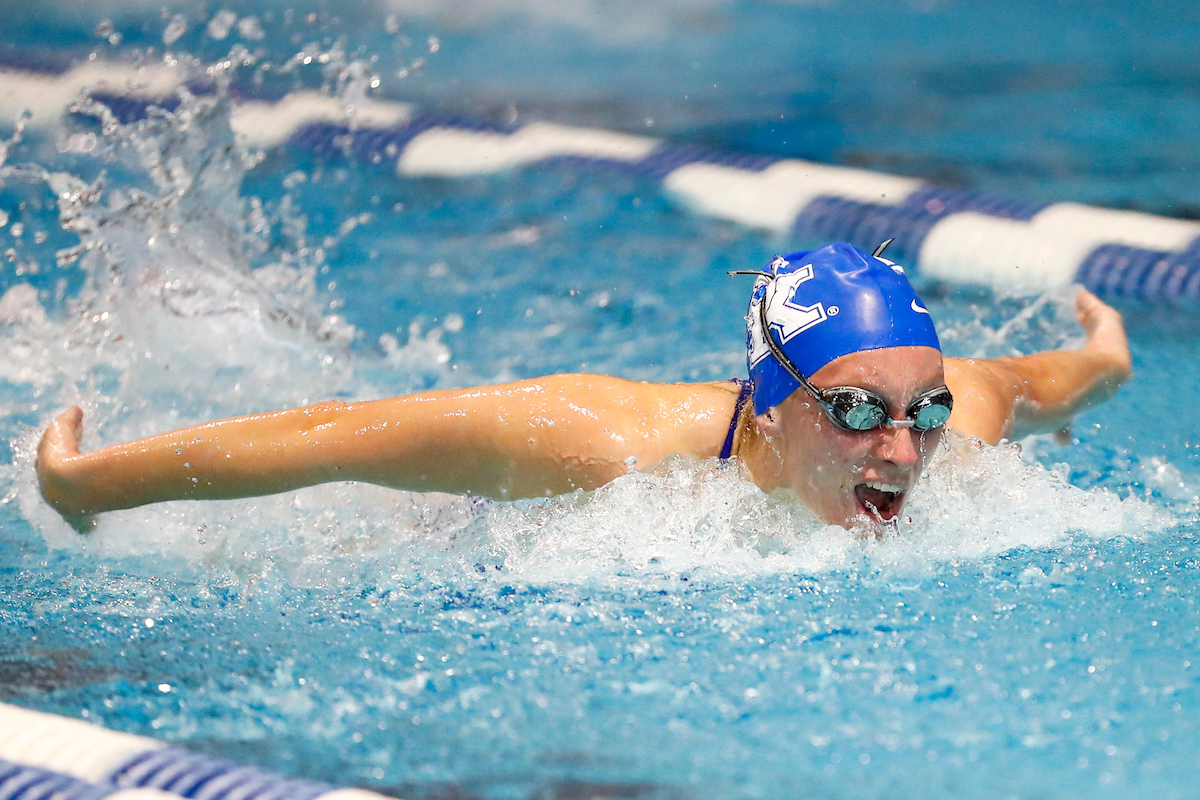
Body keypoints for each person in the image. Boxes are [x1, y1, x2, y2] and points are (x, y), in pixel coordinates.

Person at [36, 242, 1132, 530]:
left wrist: (1110, 357)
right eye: (855, 411)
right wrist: (92, 486)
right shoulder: (600, 443)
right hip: (418, 522)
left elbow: (1040, 381)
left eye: (920, 411)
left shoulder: (957, 427)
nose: (902, 452)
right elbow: (337, 433)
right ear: (770, 400)